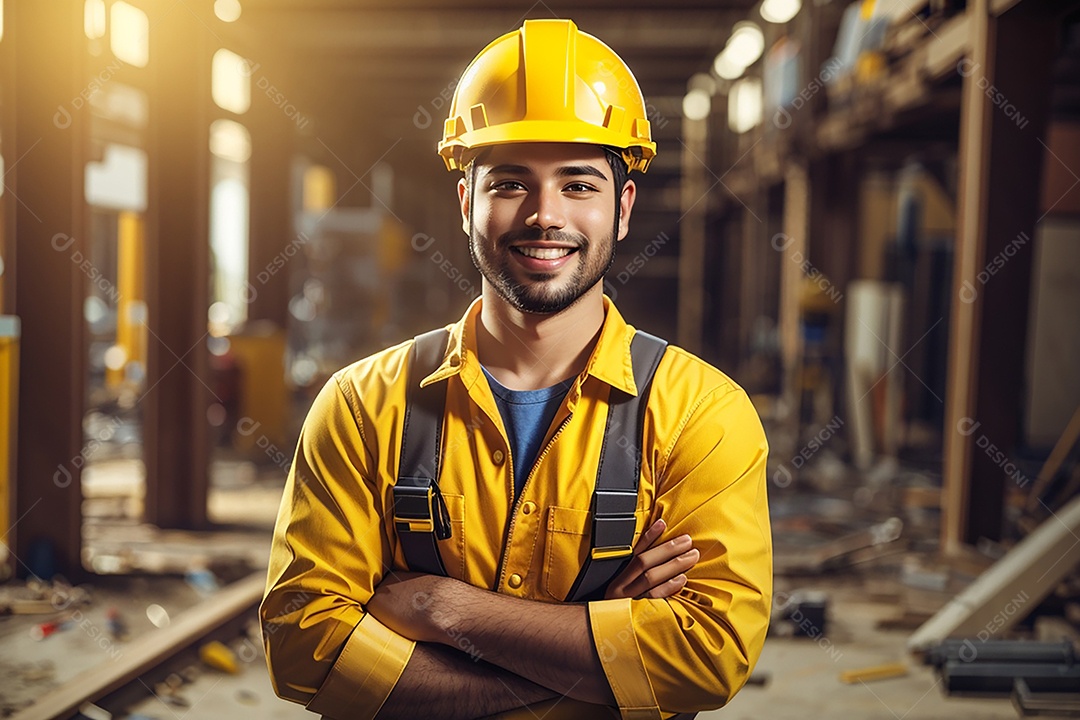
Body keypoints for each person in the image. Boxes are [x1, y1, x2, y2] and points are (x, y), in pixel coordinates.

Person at [261, 18, 772, 720]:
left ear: (622, 209)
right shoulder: (361, 406)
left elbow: (706, 656)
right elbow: (304, 645)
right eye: (510, 183)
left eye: (578, 185)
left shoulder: (701, 413)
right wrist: (601, 642)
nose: (543, 215)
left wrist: (443, 608)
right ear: (467, 201)